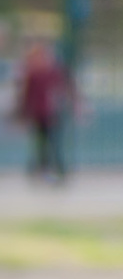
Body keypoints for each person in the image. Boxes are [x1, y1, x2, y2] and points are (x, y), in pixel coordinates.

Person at [13, 39, 73, 185]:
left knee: (53, 142)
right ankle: (41, 170)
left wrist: (72, 104)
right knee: (40, 143)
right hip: (39, 113)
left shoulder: (53, 71)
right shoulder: (33, 74)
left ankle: (57, 170)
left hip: (52, 112)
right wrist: (23, 114)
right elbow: (26, 95)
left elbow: (65, 87)